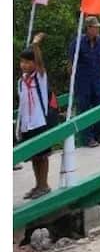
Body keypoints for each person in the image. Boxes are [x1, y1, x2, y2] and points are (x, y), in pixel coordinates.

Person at [16, 33, 54, 198]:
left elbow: (40, 63)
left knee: (43, 156)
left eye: (27, 62)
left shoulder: (39, 78)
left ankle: (44, 185)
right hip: (28, 124)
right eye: (22, 62)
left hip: (40, 122)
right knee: (34, 156)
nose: (24, 65)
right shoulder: (21, 81)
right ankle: (37, 185)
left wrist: (36, 45)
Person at [67, 15, 100, 146]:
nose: (97, 30)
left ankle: (99, 134)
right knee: (84, 109)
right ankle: (88, 138)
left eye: (98, 28)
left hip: (98, 79)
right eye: (95, 27)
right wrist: (72, 80)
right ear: (88, 28)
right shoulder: (77, 42)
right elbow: (70, 62)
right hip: (83, 81)